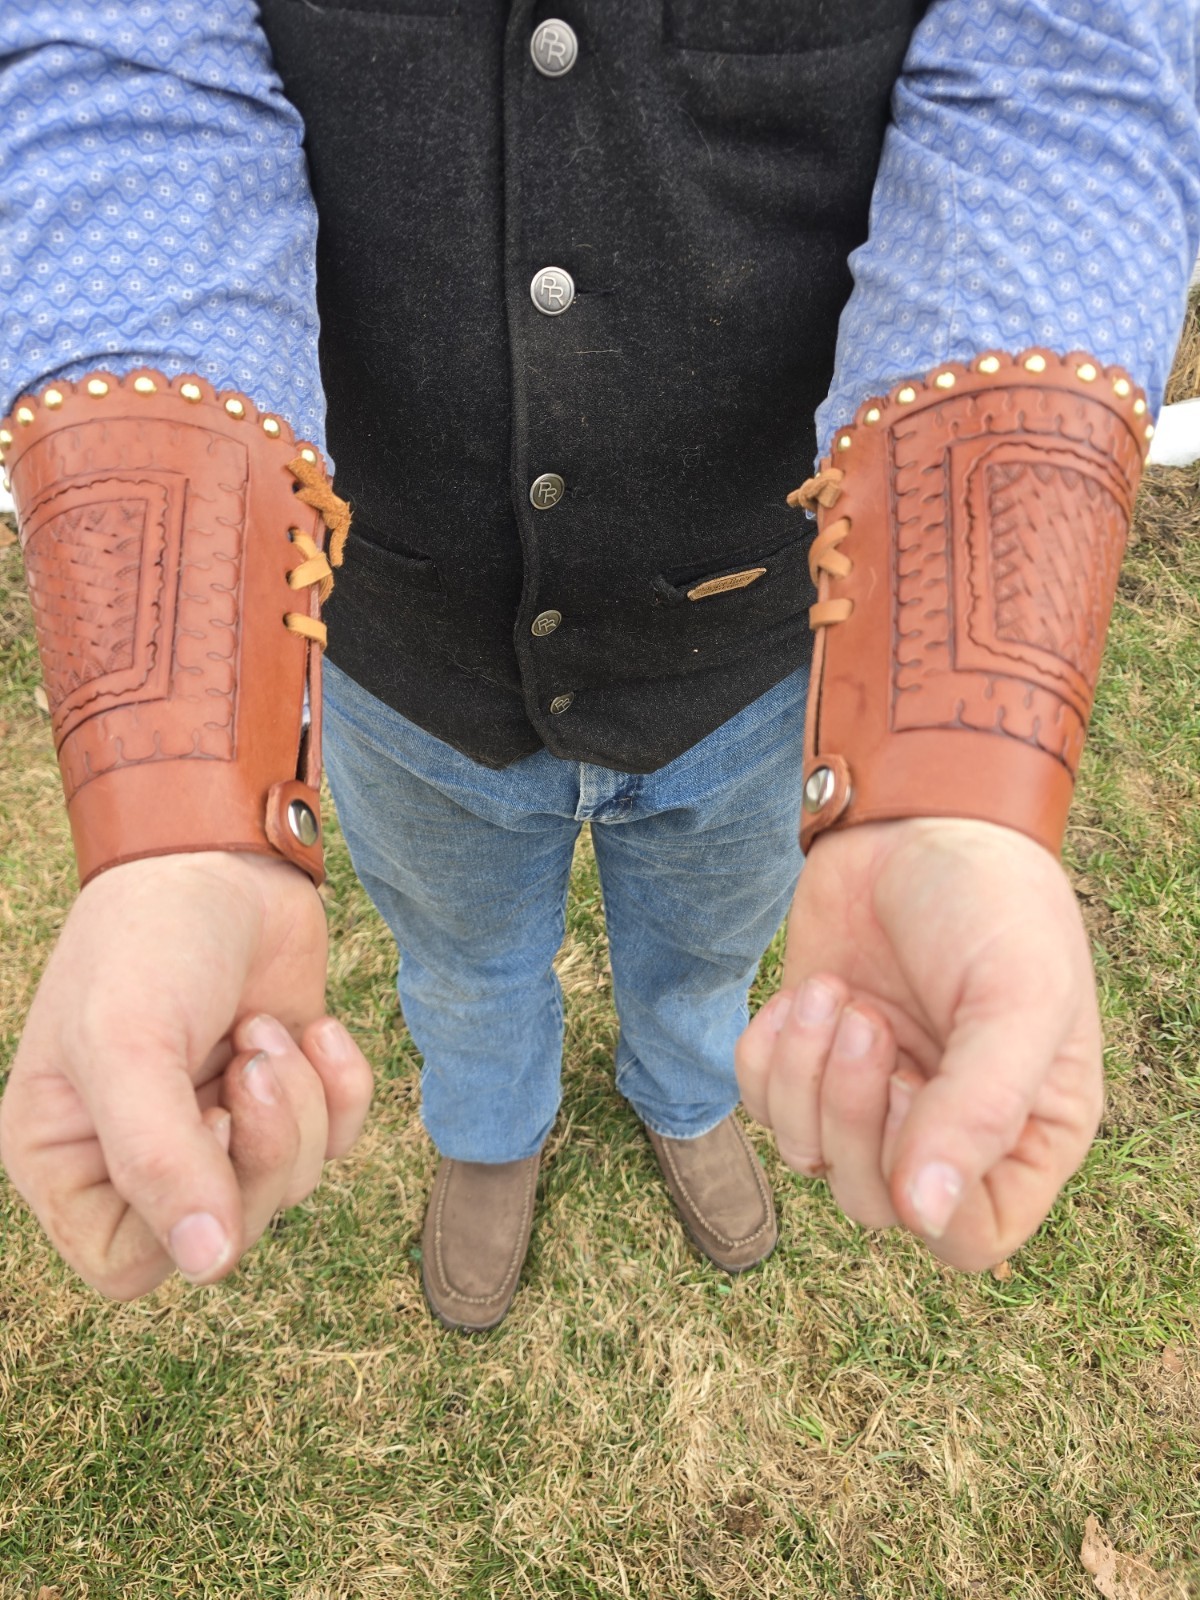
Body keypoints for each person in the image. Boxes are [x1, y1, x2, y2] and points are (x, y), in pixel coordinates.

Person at [0, 0, 1197, 1332]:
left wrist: (955, 787)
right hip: (406, 660)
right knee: (460, 964)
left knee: (705, 950)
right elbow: (130, 76)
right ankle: (489, 1135)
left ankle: (682, 1097)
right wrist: (175, 815)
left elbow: (1062, 83)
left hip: (752, 662)